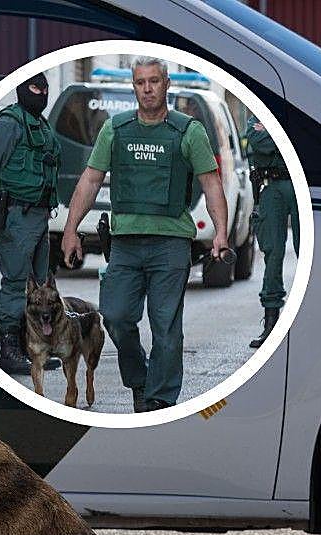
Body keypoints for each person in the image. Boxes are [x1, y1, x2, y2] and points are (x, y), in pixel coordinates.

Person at [61, 58, 229, 412]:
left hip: (170, 244)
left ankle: (159, 398)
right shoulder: (116, 130)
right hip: (125, 243)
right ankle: (140, 378)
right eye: (141, 82)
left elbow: (211, 183)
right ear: (135, 86)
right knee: (116, 317)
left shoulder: (188, 131)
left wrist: (221, 234)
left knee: (166, 326)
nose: (148, 88)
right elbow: (91, 179)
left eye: (154, 81)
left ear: (166, 84)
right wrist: (71, 229)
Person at [0, 73, 61, 375]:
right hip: (15, 214)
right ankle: (9, 351)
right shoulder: (8, 123)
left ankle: (31, 347)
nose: (41, 93)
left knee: (39, 284)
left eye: (45, 88)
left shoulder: (40, 123)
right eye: (35, 88)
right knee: (15, 282)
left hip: (39, 215)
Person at [244, 114, 298, 348]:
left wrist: (272, 133)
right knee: (272, 253)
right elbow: (257, 140)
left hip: (300, 186)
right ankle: (271, 324)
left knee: (308, 251)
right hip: (270, 187)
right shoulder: (258, 112)